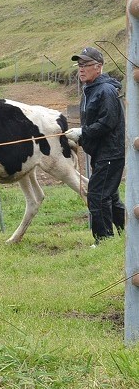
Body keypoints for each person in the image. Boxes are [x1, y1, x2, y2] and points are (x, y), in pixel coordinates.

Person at [65, 46, 125, 244]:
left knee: (97, 196)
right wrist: (81, 138)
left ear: (98, 67)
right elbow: (95, 123)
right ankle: (128, 233)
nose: (81, 69)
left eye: (86, 65)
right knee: (111, 197)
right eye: (79, 65)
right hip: (101, 153)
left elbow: (107, 122)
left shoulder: (105, 90)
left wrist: (82, 132)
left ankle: (104, 240)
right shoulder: (90, 89)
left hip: (110, 152)